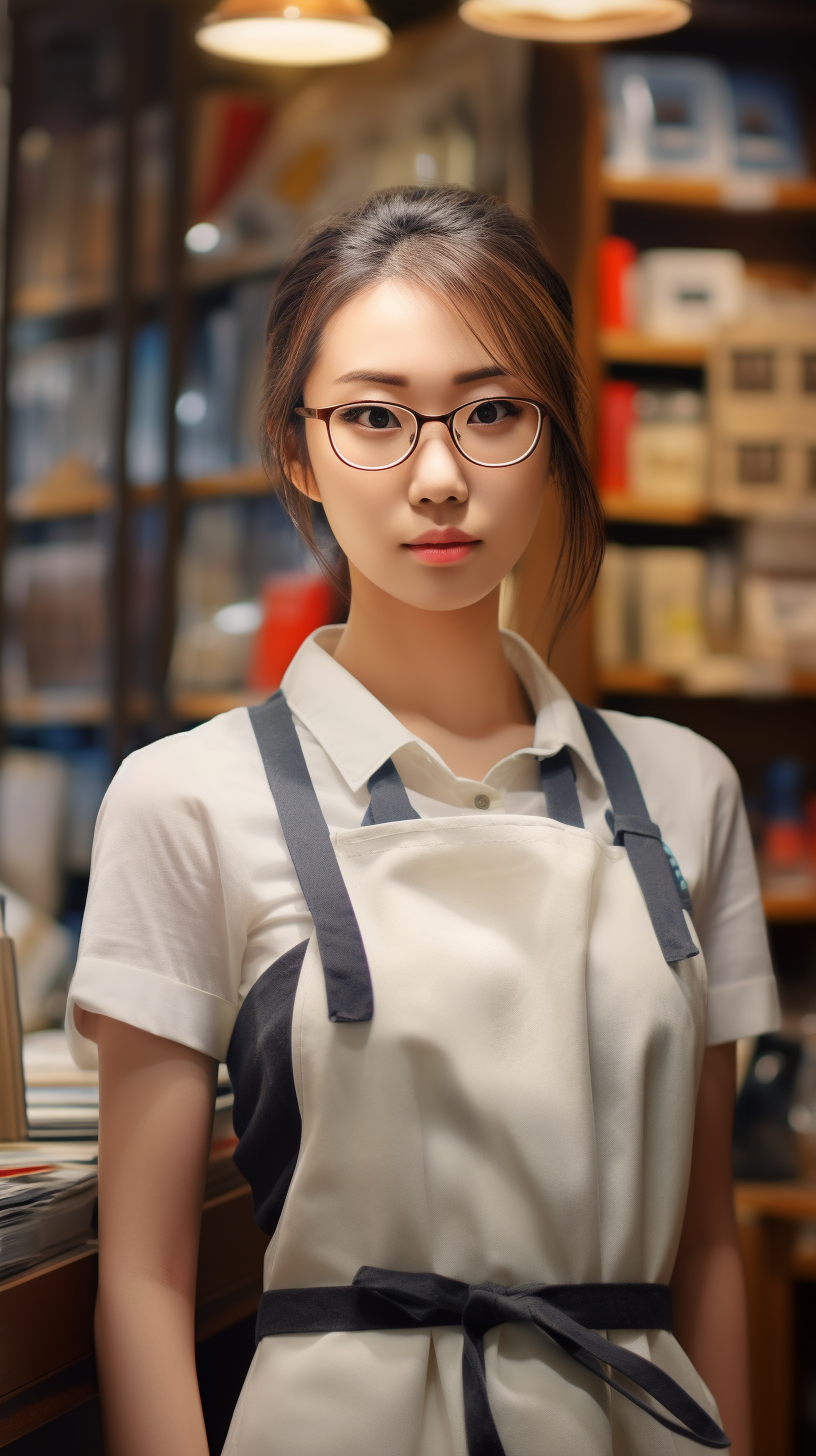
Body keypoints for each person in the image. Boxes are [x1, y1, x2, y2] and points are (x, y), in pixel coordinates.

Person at [67, 186, 778, 1456]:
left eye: (493, 412)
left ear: (556, 434)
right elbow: (145, 1282)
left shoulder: (684, 790)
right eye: (374, 419)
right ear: (296, 449)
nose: (440, 475)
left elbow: (710, 1246)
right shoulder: (187, 798)